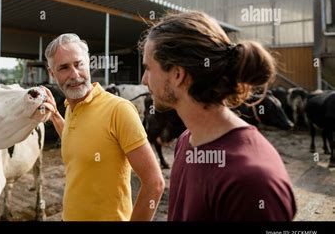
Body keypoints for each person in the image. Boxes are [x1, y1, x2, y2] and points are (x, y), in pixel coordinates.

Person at [139, 11, 297, 221]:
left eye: (148, 68)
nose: (143, 80)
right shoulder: (187, 140)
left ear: (178, 74)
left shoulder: (253, 180)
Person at [41, 33, 164, 221]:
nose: (74, 75)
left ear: (88, 63)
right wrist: (56, 117)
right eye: (64, 68)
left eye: (78, 64)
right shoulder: (68, 108)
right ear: (52, 73)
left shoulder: (119, 110)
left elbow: (154, 183)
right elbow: (77, 141)